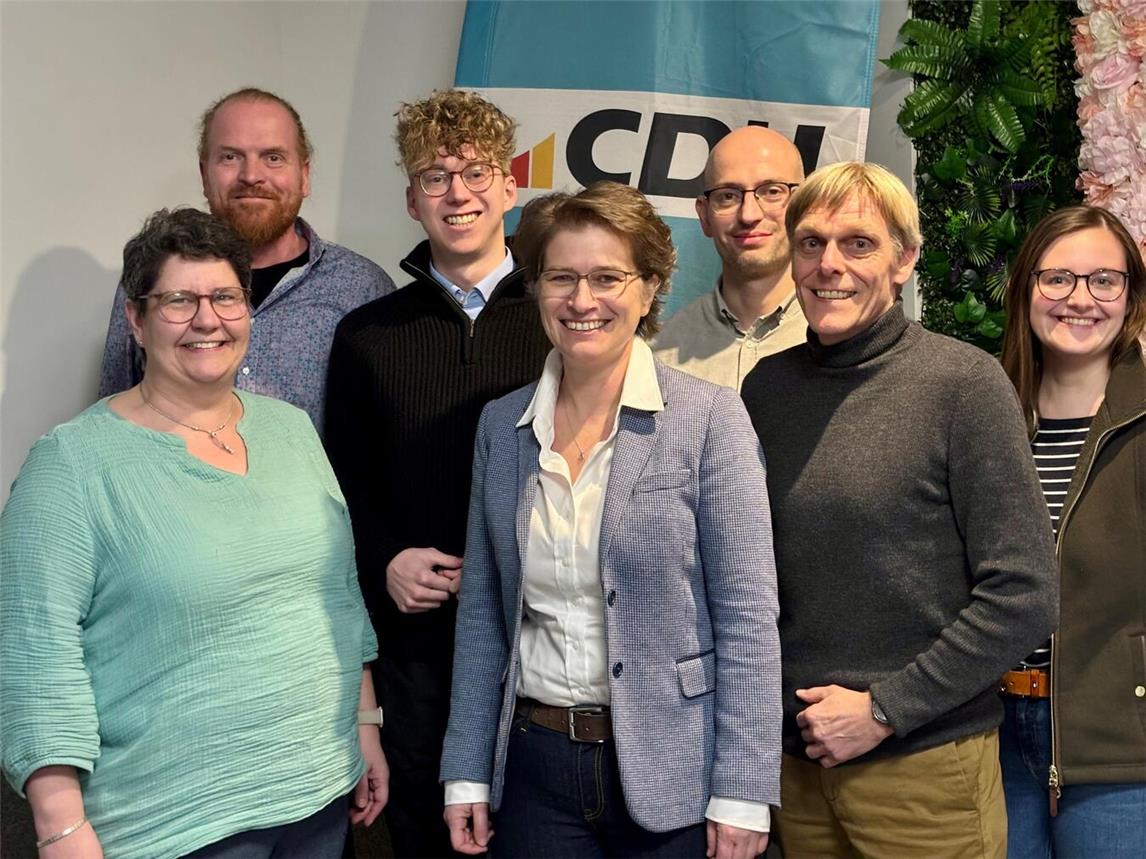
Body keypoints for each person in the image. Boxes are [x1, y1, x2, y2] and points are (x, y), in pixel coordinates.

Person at [1, 209, 387, 859]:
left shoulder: (290, 430)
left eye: (226, 297)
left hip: (318, 794)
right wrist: (61, 827)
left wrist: (364, 721)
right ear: (136, 318)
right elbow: (35, 659)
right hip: (173, 821)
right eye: (179, 299)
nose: (207, 318)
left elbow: (338, 595)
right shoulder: (69, 464)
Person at [440, 182, 781, 859]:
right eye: (561, 277)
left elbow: (747, 614)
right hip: (537, 773)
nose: (583, 300)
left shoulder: (710, 419)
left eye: (607, 277)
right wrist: (466, 769)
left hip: (675, 772)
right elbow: (483, 612)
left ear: (650, 286)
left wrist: (744, 787)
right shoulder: (502, 427)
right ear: (536, 288)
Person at [740, 161, 1058, 858]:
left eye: (859, 243)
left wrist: (885, 709)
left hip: (923, 768)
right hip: (795, 769)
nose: (830, 265)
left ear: (904, 260)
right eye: (811, 243)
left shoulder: (963, 385)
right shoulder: (767, 389)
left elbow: (1024, 595)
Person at [325, 89, 551, 857]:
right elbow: (343, 486)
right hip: (416, 650)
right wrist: (386, 556)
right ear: (411, 199)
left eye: (477, 172)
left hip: (541, 644)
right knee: (431, 840)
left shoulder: (564, 319)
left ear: (511, 186)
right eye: (435, 177)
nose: (459, 193)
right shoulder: (367, 335)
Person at [98, 87, 394, 431]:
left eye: (273, 157)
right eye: (230, 157)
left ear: (305, 175)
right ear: (204, 173)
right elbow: (111, 417)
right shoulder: (152, 277)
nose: (252, 175)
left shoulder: (363, 288)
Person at [997, 206, 1146, 858]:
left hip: (1121, 743)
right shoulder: (981, 411)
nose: (1080, 298)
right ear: (1025, 288)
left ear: (1130, 297)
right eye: (1057, 278)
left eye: (1104, 281)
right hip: (991, 735)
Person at [653, 126, 807, 389]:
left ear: (805, 203)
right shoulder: (660, 356)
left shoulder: (839, 335)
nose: (749, 215)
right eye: (728, 196)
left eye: (772, 191)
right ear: (704, 215)